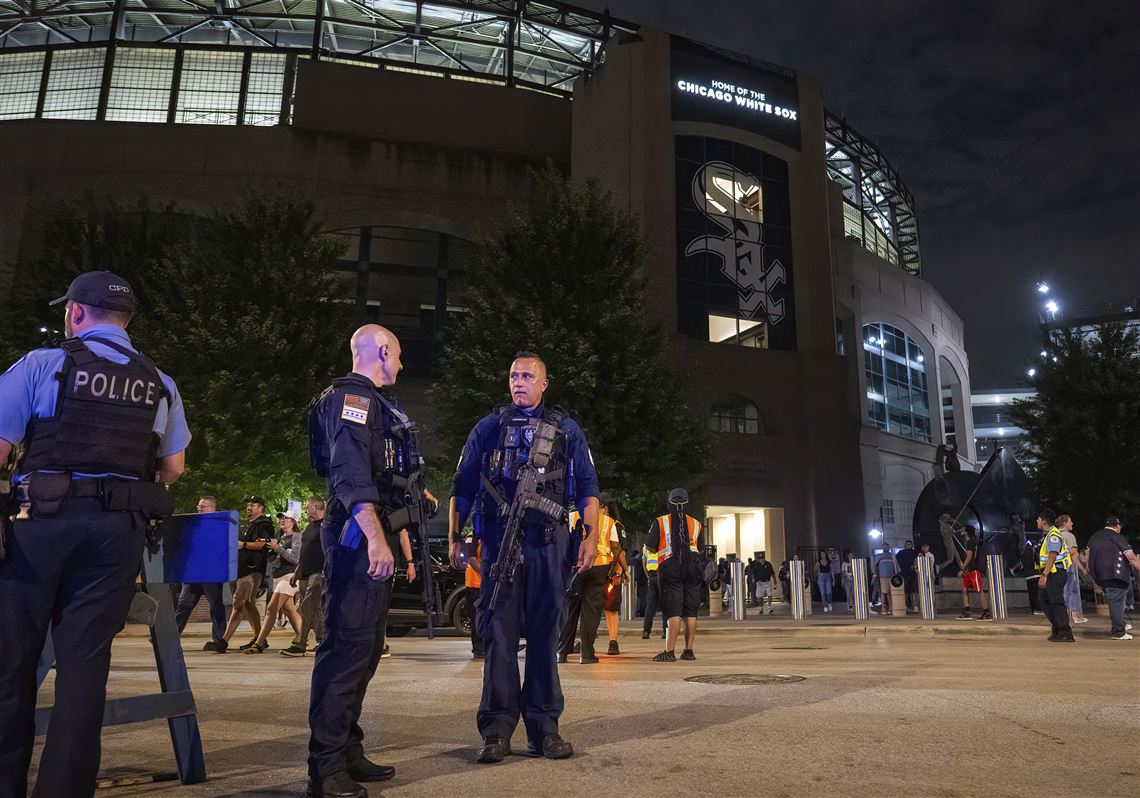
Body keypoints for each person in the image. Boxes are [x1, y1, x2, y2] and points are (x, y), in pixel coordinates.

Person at [0, 271, 190, 798]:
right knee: (85, 668)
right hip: (116, 531)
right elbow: (173, 466)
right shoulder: (159, 382)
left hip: (40, 523)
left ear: (75, 313)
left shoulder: (46, 363)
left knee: (10, 661)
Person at [448, 352, 599, 764]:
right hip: (499, 543)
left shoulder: (566, 429)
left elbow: (587, 488)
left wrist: (591, 537)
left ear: (544, 383)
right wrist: (455, 537)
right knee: (498, 635)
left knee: (544, 636)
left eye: (527, 375)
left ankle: (544, 729)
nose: (519, 381)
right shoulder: (488, 428)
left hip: (550, 543)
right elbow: (462, 487)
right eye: (513, 375)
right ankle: (496, 730)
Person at [306, 325, 420, 798]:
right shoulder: (353, 399)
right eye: (398, 356)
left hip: (369, 532)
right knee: (347, 650)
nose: (401, 365)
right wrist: (375, 536)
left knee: (367, 650)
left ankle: (347, 751)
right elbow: (349, 472)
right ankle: (326, 767)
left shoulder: (371, 402)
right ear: (384, 350)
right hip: (357, 536)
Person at [558, 493, 620, 664]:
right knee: (590, 613)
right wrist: (616, 568)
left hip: (574, 567)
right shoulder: (608, 521)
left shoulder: (572, 516)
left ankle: (561, 652)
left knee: (569, 609)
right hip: (599, 567)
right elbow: (615, 547)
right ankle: (586, 654)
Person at [646, 488, 704, 662]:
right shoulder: (697, 523)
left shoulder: (661, 521)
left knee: (673, 611)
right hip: (693, 566)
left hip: (671, 567)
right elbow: (700, 549)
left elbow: (650, 546)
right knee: (691, 612)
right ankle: (688, 651)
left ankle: (669, 651)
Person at [217, 497, 274, 651]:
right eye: (248, 504)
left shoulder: (264, 524)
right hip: (237, 569)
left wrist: (243, 544)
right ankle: (260, 638)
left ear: (261, 507)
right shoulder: (243, 524)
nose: (249, 507)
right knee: (248, 604)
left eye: (253, 505)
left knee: (238, 603)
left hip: (252, 570)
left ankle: (223, 641)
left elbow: (262, 544)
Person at [175, 496, 229, 652]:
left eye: (203, 507)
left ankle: (218, 639)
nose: (199, 509)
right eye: (198, 506)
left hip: (211, 574)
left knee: (216, 607)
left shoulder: (220, 526)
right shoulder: (193, 526)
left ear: (212, 508)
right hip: (193, 574)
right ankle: (171, 636)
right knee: (183, 605)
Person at [245, 510, 304, 653]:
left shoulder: (297, 537)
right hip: (278, 577)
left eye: (286, 518)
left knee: (272, 608)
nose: (282, 520)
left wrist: (278, 548)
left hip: (290, 576)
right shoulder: (281, 537)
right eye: (281, 518)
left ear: (293, 521)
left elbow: (295, 559)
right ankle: (302, 640)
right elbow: (274, 560)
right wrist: (270, 550)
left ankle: (258, 643)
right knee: (289, 610)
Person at [282, 496, 326, 657]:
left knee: (305, 606)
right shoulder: (310, 526)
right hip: (305, 571)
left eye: (308, 507)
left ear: (316, 507)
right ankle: (324, 640)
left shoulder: (326, 525)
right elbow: (305, 551)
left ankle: (300, 643)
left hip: (318, 571)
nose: (306, 510)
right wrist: (297, 571)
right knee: (315, 609)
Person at [1086, 516, 1140, 640]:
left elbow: (1088, 553)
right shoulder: (1118, 537)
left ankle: (1120, 624)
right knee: (1116, 602)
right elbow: (1130, 556)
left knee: (1114, 601)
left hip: (1099, 575)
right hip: (1116, 576)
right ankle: (1118, 632)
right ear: (1116, 526)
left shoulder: (1095, 536)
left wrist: (1088, 569)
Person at [1036, 509, 1074, 642]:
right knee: (1044, 601)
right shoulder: (1047, 535)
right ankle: (1057, 628)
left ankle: (1065, 631)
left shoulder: (1053, 535)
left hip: (1055, 572)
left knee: (1056, 602)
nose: (1037, 521)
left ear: (1044, 521)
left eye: (1038, 519)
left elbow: (1052, 555)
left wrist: (1044, 575)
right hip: (1050, 572)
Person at [956, 524, 992, 621]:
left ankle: (986, 612)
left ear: (966, 531)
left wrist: (962, 568)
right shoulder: (969, 541)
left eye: (963, 529)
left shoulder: (971, 541)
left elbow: (969, 557)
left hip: (973, 570)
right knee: (964, 589)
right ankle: (967, 611)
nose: (961, 531)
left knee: (979, 590)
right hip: (969, 571)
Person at [1056, 514, 1088, 624]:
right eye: (1070, 521)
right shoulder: (1069, 536)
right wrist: (1082, 568)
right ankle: (1068, 617)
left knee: (1069, 591)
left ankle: (1074, 616)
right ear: (1064, 523)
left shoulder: (1054, 535)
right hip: (1068, 568)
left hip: (1057, 569)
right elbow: (1074, 554)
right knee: (1069, 592)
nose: (1072, 523)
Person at [464, 529, 485, 659]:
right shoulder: (472, 538)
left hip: (486, 585)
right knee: (476, 618)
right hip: (474, 585)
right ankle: (478, 649)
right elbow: (472, 559)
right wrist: (486, 573)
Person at [641, 543, 666, 639]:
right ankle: (665, 631)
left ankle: (646, 632)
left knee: (650, 606)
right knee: (665, 605)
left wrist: (648, 576)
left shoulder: (646, 545)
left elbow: (644, 562)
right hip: (662, 575)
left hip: (651, 576)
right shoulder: (664, 540)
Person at [873, 546, 899, 615]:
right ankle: (883, 608)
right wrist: (875, 574)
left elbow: (896, 566)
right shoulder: (879, 556)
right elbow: (875, 566)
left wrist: (896, 574)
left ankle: (890, 608)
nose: (885, 548)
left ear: (889, 548)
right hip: (882, 576)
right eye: (884, 547)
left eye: (886, 547)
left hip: (891, 576)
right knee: (883, 593)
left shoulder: (892, 556)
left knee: (889, 593)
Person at [1020, 537, 1044, 616]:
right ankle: (1037, 609)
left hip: (1029, 576)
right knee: (1036, 594)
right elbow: (1038, 561)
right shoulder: (1034, 551)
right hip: (1035, 574)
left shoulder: (1024, 553)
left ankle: (1033, 609)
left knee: (1032, 594)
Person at [895, 540, 919, 613]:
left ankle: (915, 606)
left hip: (913, 575)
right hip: (903, 575)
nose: (908, 545)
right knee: (905, 591)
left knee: (914, 591)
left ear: (912, 545)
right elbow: (896, 562)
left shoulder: (915, 553)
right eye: (906, 544)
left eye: (909, 544)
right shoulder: (900, 553)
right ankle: (906, 606)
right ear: (904, 545)